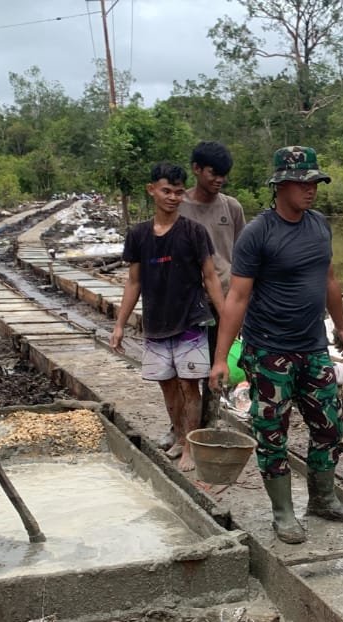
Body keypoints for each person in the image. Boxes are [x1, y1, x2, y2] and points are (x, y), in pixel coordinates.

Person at [208, 146, 343, 544]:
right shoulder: (258, 234)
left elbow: (329, 278)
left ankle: (323, 499)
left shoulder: (320, 225)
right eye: (303, 183)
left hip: (312, 346)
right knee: (272, 430)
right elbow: (237, 298)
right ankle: (282, 512)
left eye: (316, 183)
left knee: (329, 426)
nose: (312, 190)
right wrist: (221, 358)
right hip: (270, 350)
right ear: (280, 185)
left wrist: (341, 325)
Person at [111, 163, 224, 473]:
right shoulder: (138, 235)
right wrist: (120, 323)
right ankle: (177, 433)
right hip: (156, 323)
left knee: (190, 386)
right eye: (166, 191)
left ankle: (189, 446)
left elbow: (211, 277)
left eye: (178, 192)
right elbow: (134, 281)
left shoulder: (193, 232)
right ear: (152, 191)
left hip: (190, 321)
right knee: (167, 386)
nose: (173, 198)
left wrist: (227, 317)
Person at [180, 141, 246, 430]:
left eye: (223, 174)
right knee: (185, 367)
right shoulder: (178, 205)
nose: (219, 179)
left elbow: (243, 255)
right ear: (196, 169)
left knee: (218, 362)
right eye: (213, 173)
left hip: (226, 299)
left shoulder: (231, 207)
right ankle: (183, 426)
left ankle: (211, 420)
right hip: (187, 299)